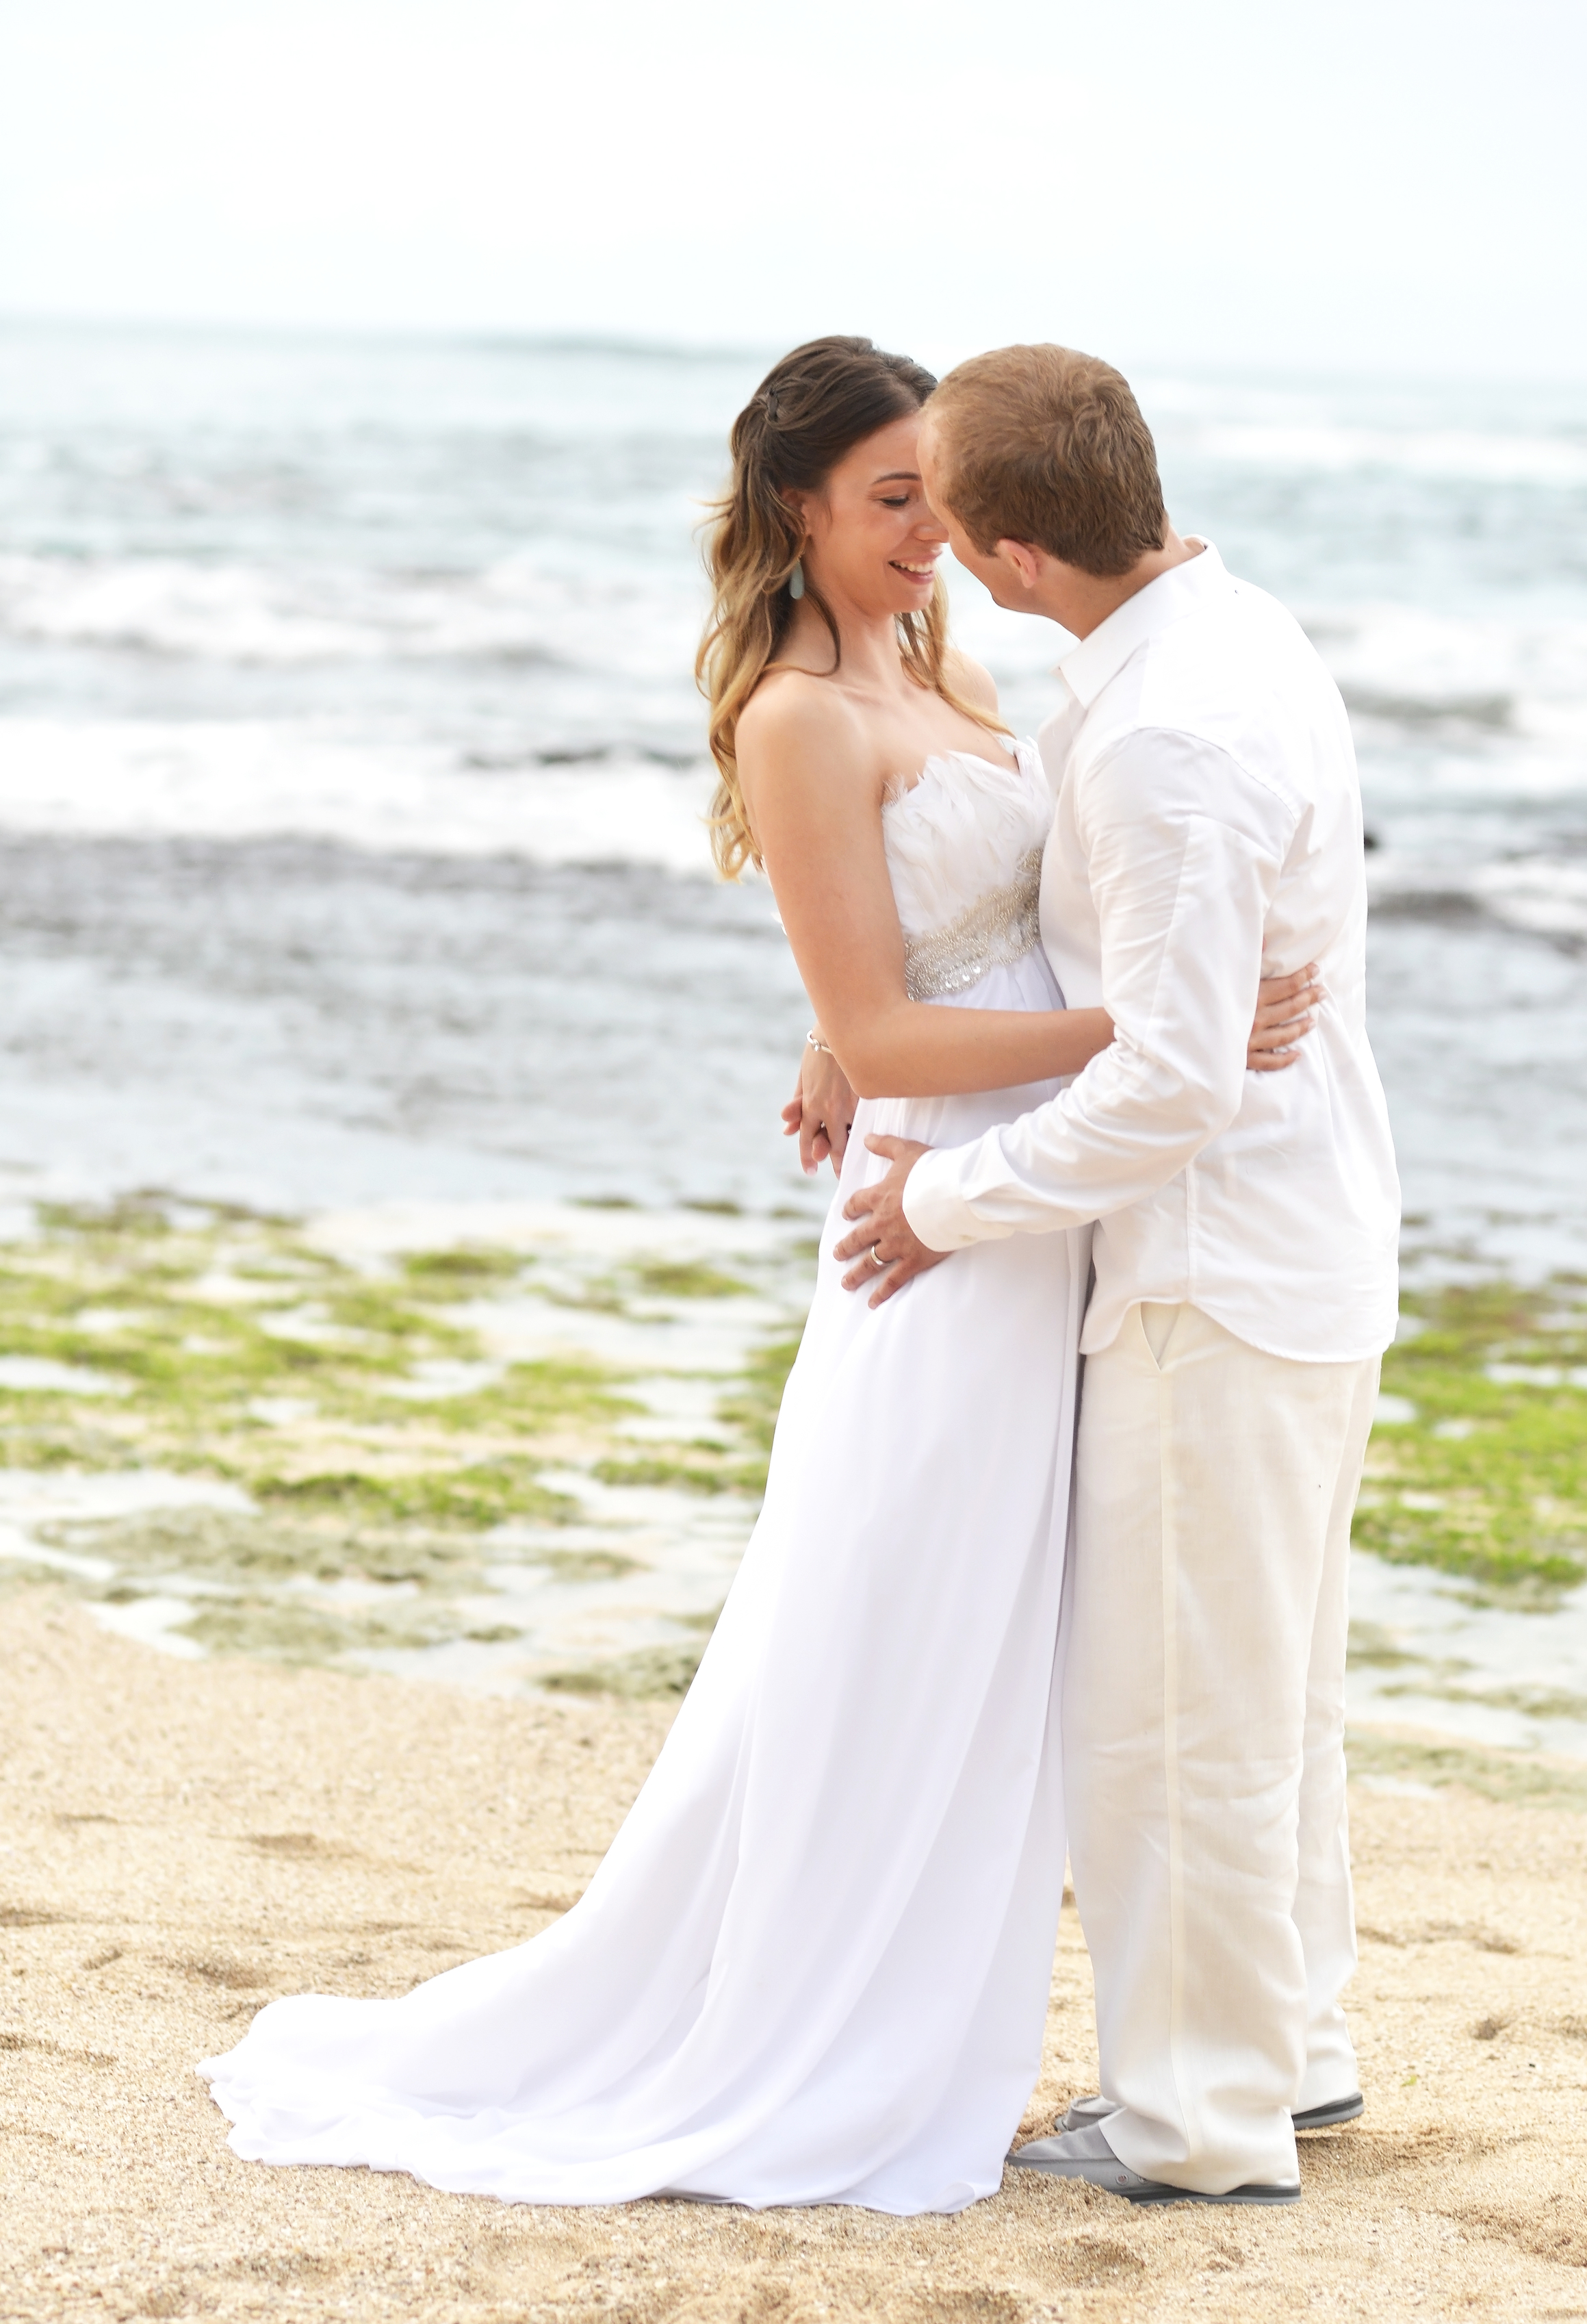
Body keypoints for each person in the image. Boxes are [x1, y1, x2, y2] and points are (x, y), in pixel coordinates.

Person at [199, 337, 1315, 2214]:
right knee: (890, 1624)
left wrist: (931, 1027)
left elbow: (932, 944)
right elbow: (889, 1025)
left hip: (1026, 1200)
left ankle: (951, 2018)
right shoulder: (799, 708)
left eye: (943, 506)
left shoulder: (936, 657)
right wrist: (1147, 1026)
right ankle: (822, 2028)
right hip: (937, 1224)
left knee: (988, 1641)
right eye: (895, 505)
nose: (932, 539)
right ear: (799, 506)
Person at [841, 344, 1401, 2206]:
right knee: (1267, 1687)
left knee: (1177, 1709)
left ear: (1008, 553)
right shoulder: (1229, 635)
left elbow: (1165, 1082)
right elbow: (1198, 1013)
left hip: (1215, 1265)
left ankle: (1192, 2114)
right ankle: (1290, 2050)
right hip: (1299, 1234)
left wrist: (948, 1200)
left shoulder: (1161, 729)